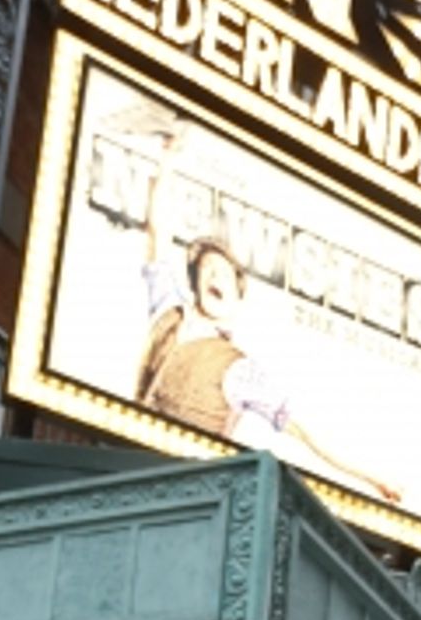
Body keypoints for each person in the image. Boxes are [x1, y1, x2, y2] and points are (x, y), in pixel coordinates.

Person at [137, 134, 402, 504]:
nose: (215, 277)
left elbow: (306, 433)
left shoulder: (239, 369)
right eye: (208, 270)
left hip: (184, 495)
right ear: (195, 282)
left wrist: (371, 479)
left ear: (237, 294)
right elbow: (157, 233)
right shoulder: (168, 311)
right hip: (127, 466)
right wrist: (167, 162)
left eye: (225, 274)